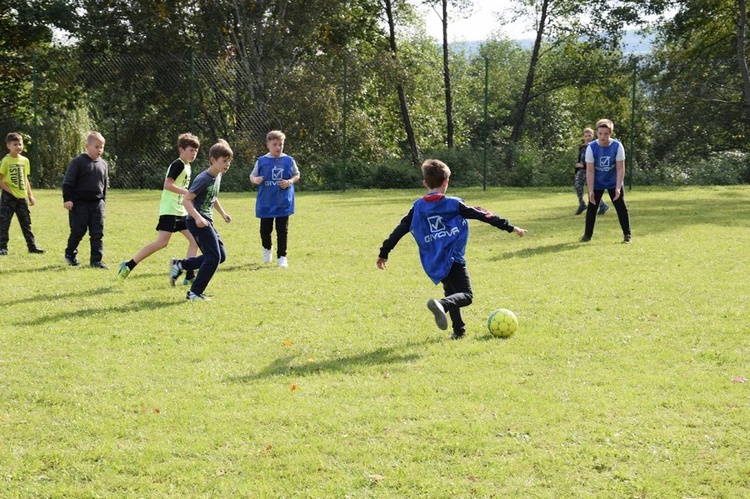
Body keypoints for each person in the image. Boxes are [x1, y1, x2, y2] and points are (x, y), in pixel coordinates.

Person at [376, 159, 527, 339]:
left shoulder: (418, 207)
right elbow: (483, 215)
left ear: (425, 183)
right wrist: (510, 227)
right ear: (446, 181)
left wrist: (384, 252)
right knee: (466, 295)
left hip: (435, 260)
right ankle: (443, 305)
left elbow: (399, 230)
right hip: (453, 258)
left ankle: (458, 331)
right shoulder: (454, 204)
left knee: (452, 291)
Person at [117, 133, 201, 283]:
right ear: (181, 150)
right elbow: (167, 185)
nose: (194, 153)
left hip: (180, 210)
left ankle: (189, 276)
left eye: (196, 151)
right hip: (169, 210)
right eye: (191, 150)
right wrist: (187, 193)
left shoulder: (187, 166)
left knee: (195, 240)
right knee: (162, 243)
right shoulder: (178, 164)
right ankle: (128, 265)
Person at [170, 139, 233, 300]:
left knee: (221, 256)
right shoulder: (203, 178)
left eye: (229, 161)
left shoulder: (217, 175)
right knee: (213, 257)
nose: (227, 165)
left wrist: (222, 213)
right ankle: (194, 292)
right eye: (224, 161)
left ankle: (181, 265)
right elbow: (187, 200)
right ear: (213, 160)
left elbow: (212, 196)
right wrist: (197, 217)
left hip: (206, 220)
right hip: (196, 221)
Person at [249, 130, 300, 268]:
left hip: (283, 202)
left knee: (282, 230)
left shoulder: (289, 160)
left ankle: (282, 256)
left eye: (281, 144)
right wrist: (256, 180)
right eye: (275, 144)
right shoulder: (262, 161)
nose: (278, 147)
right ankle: (267, 248)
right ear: (268, 145)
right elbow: (252, 176)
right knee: (265, 230)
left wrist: (289, 182)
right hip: (266, 202)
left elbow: (296, 174)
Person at [580, 119, 631, 243]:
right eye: (600, 133)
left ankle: (627, 235)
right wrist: (591, 191)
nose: (603, 136)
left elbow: (620, 169)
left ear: (610, 133)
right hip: (597, 182)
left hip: (614, 181)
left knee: (621, 207)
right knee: (592, 208)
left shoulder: (617, 146)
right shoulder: (591, 148)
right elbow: (590, 171)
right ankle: (587, 236)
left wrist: (618, 188)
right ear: (597, 133)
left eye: (606, 134)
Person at [62, 131, 109, 268]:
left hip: (97, 204)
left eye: (102, 147)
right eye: (96, 147)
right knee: (78, 230)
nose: (99, 150)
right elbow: (68, 182)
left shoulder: (103, 164)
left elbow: (104, 184)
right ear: (87, 146)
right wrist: (68, 199)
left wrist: (103, 201)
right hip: (79, 204)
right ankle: (70, 254)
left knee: (97, 233)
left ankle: (96, 261)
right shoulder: (78, 162)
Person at [0, 132, 44, 255]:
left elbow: (25, 178)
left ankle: (32, 246)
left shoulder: (25, 160)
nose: (18, 147)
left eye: (20, 144)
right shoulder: (6, 160)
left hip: (21, 197)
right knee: (4, 223)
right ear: (8, 145)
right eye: (15, 144)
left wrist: (30, 195)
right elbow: (0, 180)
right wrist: (11, 191)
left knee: (26, 223)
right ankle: (2, 247)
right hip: (8, 197)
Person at [575, 127, 608, 216]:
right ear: (583, 137)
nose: (588, 137)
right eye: (586, 136)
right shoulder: (582, 147)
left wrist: (584, 165)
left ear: (593, 136)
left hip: (591, 171)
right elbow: (580, 158)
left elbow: (597, 161)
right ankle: (582, 204)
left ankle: (602, 205)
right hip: (581, 171)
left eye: (589, 135)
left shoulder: (595, 146)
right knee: (577, 185)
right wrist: (578, 166)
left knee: (592, 190)